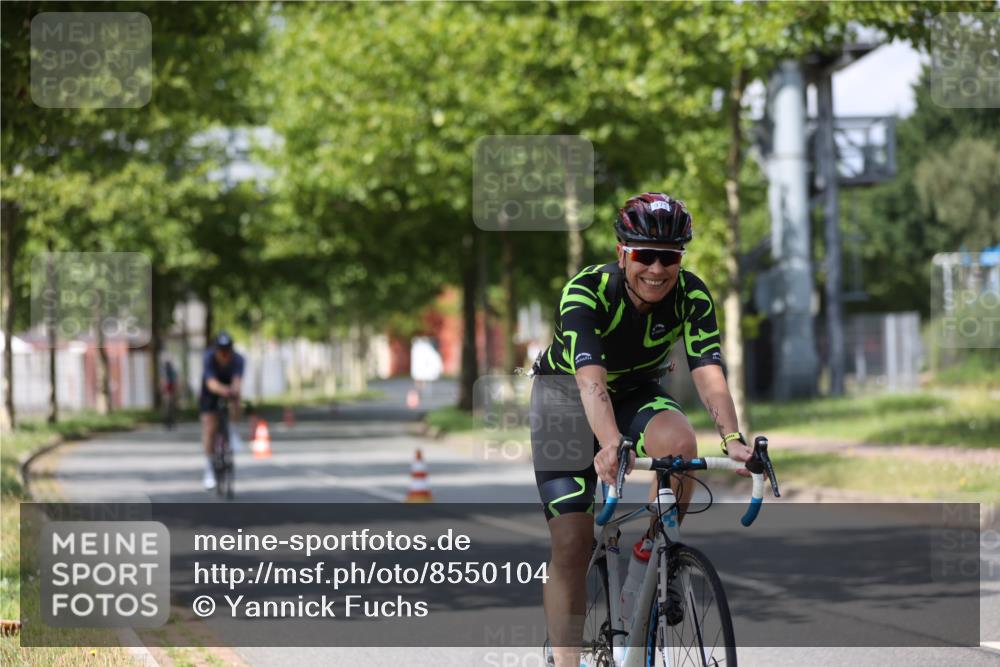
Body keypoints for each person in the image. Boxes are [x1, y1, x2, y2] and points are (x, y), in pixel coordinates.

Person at [531, 193, 754, 666]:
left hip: (634, 391)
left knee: (681, 446)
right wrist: (611, 442)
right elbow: (590, 381)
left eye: (669, 257)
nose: (656, 269)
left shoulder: (691, 295)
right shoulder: (586, 292)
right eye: (644, 255)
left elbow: (708, 372)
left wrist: (733, 439)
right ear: (622, 253)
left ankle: (648, 559)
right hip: (565, 399)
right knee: (572, 542)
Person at [199, 331, 245, 489]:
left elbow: (237, 381)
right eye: (221, 351)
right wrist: (223, 390)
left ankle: (232, 431)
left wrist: (233, 391)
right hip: (211, 390)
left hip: (229, 385)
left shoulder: (238, 359)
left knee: (236, 397)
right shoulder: (208, 358)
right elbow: (211, 383)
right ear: (215, 350)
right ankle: (209, 468)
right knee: (209, 427)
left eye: (227, 351)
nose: (224, 354)